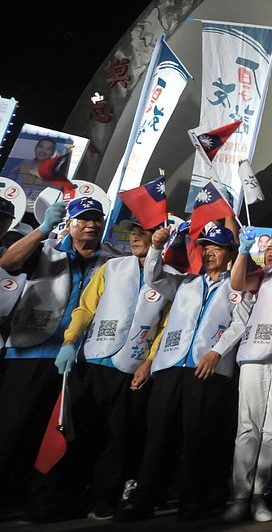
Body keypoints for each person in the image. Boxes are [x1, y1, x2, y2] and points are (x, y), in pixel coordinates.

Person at [116, 223, 241, 522]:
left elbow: (240, 323)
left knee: (198, 439)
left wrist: (216, 352)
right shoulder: (185, 282)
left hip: (207, 371)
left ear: (229, 254)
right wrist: (156, 247)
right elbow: (153, 278)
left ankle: (191, 500)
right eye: (205, 247)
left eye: (216, 247)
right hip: (171, 366)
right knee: (158, 435)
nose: (208, 252)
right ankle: (145, 498)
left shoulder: (237, 287)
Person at [0, 197, 112, 518]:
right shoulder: (46, 249)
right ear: (71, 223)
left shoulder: (112, 261)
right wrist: (43, 230)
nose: (91, 224)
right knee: (12, 428)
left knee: (59, 433)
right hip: (30, 352)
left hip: (80, 358)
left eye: (96, 219)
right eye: (83, 218)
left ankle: (42, 500)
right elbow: (7, 262)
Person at [52, 218, 167, 520]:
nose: (135, 238)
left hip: (130, 368)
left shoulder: (170, 279)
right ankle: (66, 497)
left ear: (159, 236)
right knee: (81, 434)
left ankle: (102, 499)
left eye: (143, 232)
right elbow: (85, 308)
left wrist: (149, 362)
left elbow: (166, 327)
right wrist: (69, 340)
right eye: (133, 232)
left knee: (117, 439)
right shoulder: (112, 268)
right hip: (93, 362)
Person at [219, 232, 272, 523]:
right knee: (248, 427)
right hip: (256, 353)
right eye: (269, 248)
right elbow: (237, 282)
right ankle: (239, 496)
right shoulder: (261, 276)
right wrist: (243, 250)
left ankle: (259, 495)